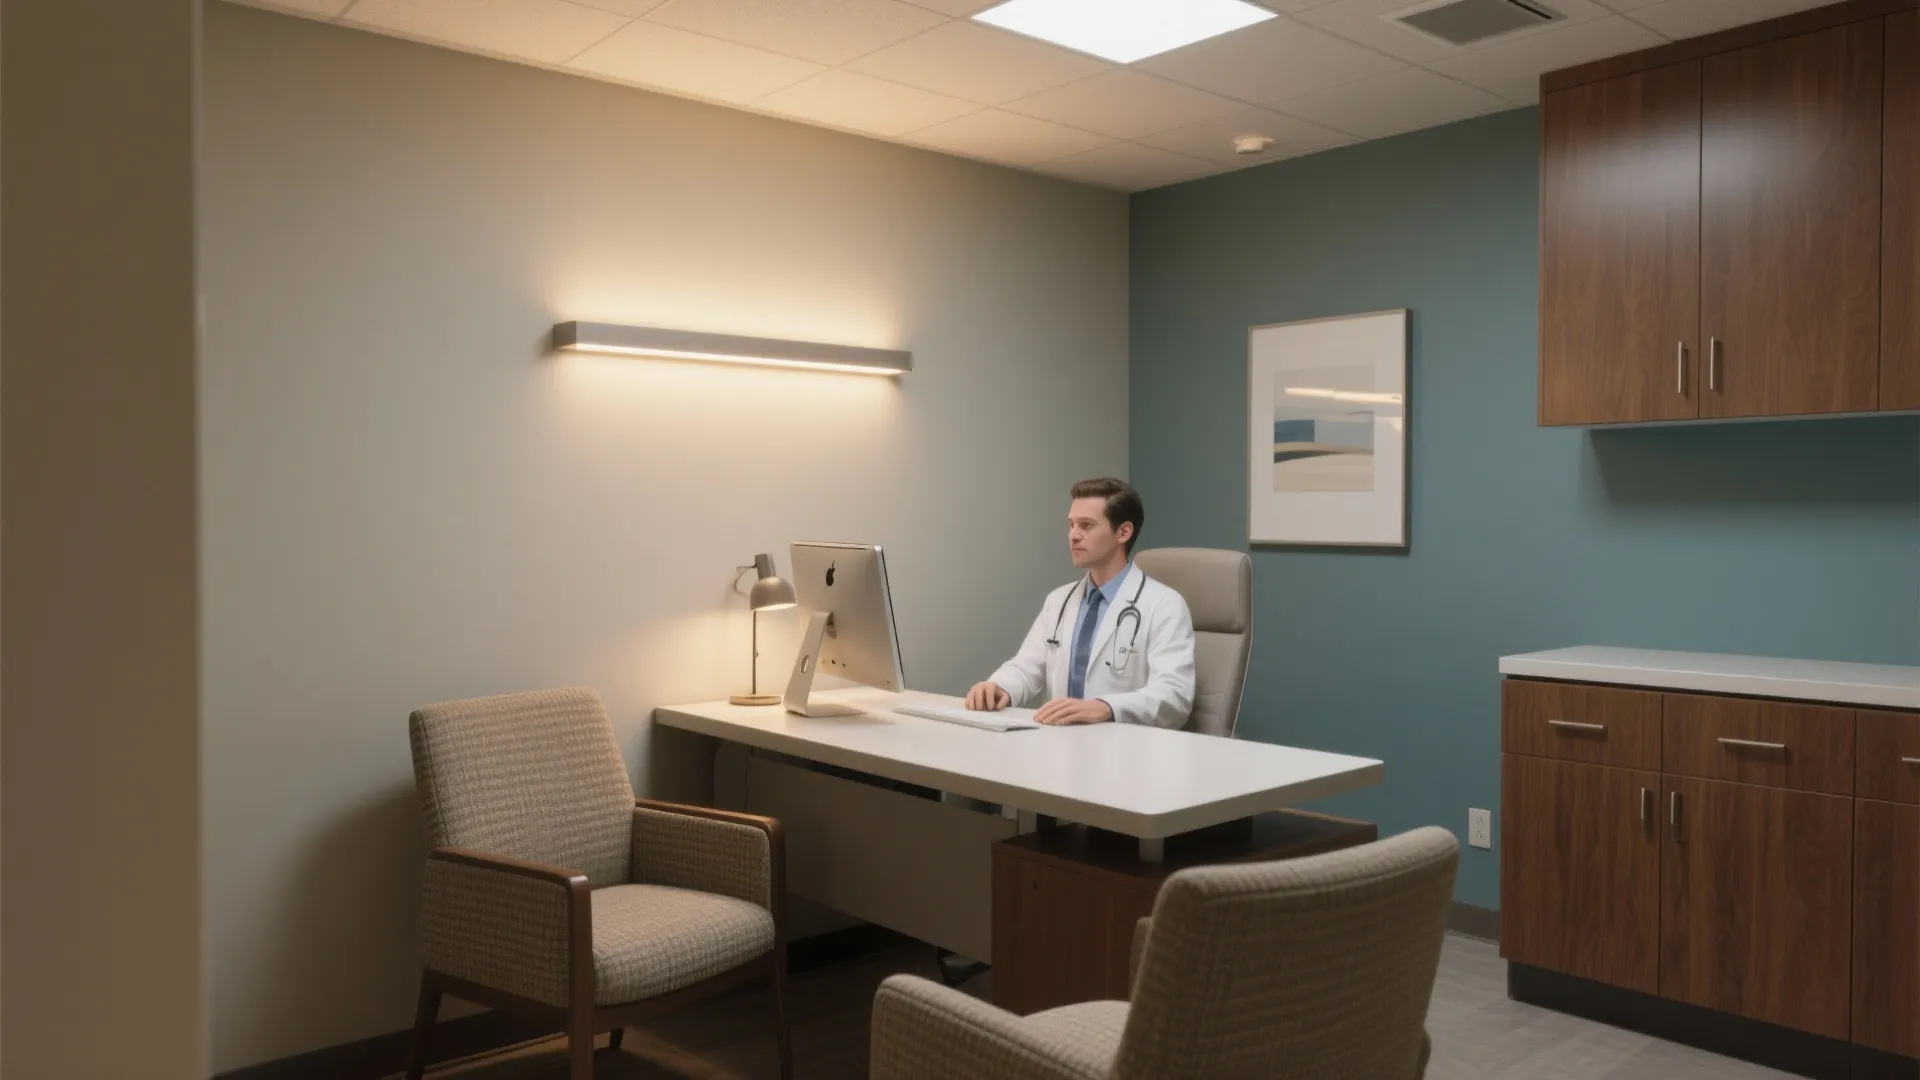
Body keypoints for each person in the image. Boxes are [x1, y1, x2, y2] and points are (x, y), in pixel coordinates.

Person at [966, 477, 1196, 728]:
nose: (1073, 535)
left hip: (1126, 750)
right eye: (1071, 524)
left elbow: (1174, 696)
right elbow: (1026, 668)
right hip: (1061, 744)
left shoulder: (1165, 605)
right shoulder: (1059, 600)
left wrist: (1106, 707)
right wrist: (999, 687)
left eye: (1086, 525)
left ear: (1123, 532)